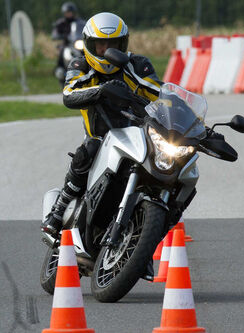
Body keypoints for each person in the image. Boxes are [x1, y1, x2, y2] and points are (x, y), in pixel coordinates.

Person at [41, 12, 163, 236]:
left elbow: (159, 92)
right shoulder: (80, 64)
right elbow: (69, 94)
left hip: (137, 135)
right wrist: (101, 90)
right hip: (100, 137)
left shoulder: (138, 64)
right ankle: (59, 210)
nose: (107, 51)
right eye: (101, 45)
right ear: (89, 44)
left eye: (114, 44)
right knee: (88, 150)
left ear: (123, 43)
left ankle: (144, 230)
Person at [52, 2, 81, 76]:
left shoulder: (79, 22)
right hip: (67, 44)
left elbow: (85, 29)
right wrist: (59, 36)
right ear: (64, 13)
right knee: (63, 50)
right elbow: (55, 33)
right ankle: (59, 68)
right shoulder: (61, 23)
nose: (69, 14)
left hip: (77, 43)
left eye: (70, 12)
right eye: (67, 12)